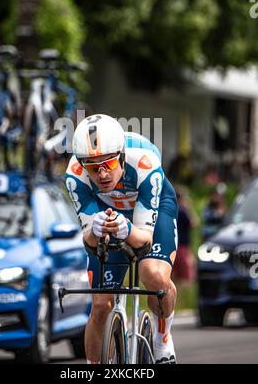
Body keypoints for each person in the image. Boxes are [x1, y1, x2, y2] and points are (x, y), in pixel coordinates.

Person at [65, 114, 178, 364]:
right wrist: (94, 231)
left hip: (149, 211)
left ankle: (162, 339)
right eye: (93, 167)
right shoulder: (75, 175)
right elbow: (90, 243)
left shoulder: (146, 162)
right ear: (83, 165)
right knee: (101, 306)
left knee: (155, 276)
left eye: (109, 164)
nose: (102, 174)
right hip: (109, 213)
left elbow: (144, 241)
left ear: (123, 157)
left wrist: (126, 228)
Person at [172, 186, 198, 286]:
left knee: (174, 273)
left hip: (173, 244)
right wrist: (190, 208)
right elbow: (194, 223)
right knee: (186, 274)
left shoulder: (173, 209)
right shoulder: (183, 210)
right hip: (183, 245)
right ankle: (184, 295)